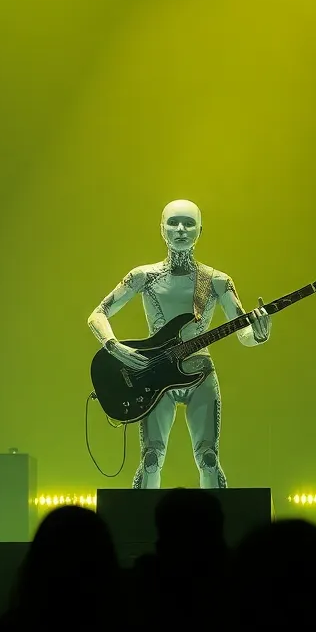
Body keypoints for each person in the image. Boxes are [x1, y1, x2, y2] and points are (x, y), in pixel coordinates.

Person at [87, 199, 270, 489]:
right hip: (155, 374)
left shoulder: (218, 281)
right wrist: (115, 346)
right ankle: (143, 529)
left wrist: (259, 333)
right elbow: (97, 314)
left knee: (208, 458)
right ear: (162, 229)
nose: (181, 229)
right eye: (173, 222)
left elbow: (243, 333)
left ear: (200, 230)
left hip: (201, 372)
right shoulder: (143, 276)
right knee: (151, 457)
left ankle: (214, 528)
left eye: (188, 223)